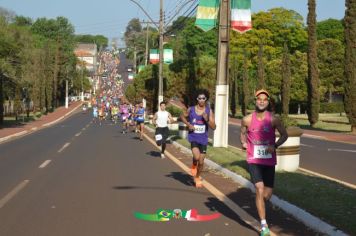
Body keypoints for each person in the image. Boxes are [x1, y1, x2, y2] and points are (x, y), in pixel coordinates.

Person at [240, 89, 288, 236]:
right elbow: (242, 134)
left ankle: (259, 203)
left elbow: (284, 135)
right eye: (259, 99)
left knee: (267, 195)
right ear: (255, 101)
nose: (261, 101)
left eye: (264, 99)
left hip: (268, 160)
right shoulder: (247, 119)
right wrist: (243, 143)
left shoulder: (274, 119)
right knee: (259, 189)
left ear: (268, 102)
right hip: (253, 159)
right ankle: (263, 225)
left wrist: (275, 146)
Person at [180, 89, 216, 188]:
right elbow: (182, 116)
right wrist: (188, 124)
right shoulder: (191, 109)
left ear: (206, 99)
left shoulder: (209, 111)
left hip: (203, 139)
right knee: (196, 157)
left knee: (201, 161)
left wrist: (207, 119)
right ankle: (193, 165)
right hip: (194, 137)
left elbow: (214, 127)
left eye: (203, 98)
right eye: (199, 98)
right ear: (196, 99)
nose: (201, 100)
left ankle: (197, 176)